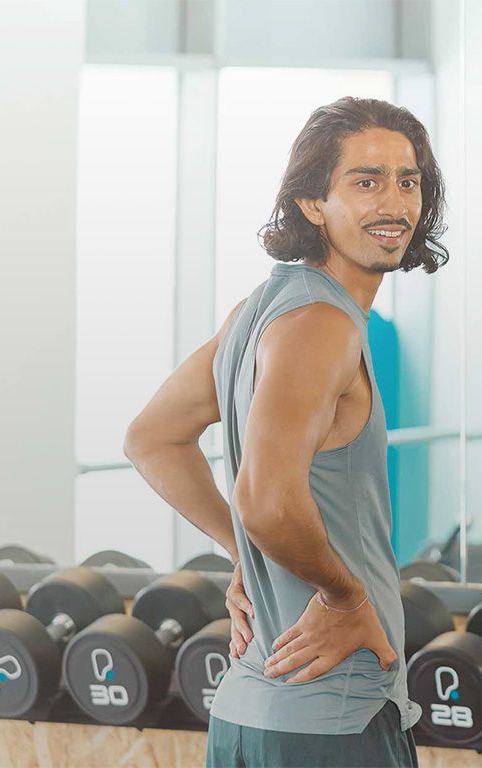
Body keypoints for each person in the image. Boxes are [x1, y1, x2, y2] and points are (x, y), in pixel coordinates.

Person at [123, 96, 448, 767]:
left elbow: (153, 438)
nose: (393, 203)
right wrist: (344, 593)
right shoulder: (321, 326)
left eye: (407, 180)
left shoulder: (262, 310)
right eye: (365, 182)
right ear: (311, 204)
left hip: (249, 714)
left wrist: (245, 552)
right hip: (331, 718)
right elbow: (266, 501)